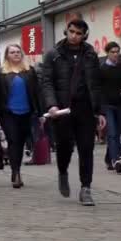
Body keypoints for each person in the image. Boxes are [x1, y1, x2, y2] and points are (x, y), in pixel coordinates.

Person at [42, 18, 106, 206]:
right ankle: (62, 171)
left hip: (85, 108)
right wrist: (51, 105)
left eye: (79, 33)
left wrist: (100, 111)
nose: (74, 36)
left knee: (87, 148)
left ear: (84, 35)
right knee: (64, 147)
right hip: (62, 109)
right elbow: (47, 82)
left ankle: (86, 188)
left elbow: (96, 84)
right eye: (71, 31)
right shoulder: (53, 54)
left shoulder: (90, 54)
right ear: (66, 31)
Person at [0, 44, 43, 188]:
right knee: (13, 141)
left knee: (20, 143)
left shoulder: (29, 71)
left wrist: (40, 113)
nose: (16, 54)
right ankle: (16, 173)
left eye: (18, 52)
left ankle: (17, 169)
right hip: (8, 113)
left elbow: (37, 93)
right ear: (7, 55)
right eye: (12, 52)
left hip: (26, 113)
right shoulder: (0, 72)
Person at [99, 42, 121, 174]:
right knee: (112, 133)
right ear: (107, 53)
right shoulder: (101, 70)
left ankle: (109, 158)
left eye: (117, 51)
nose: (116, 54)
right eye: (113, 52)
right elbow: (98, 90)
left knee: (117, 133)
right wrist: (99, 110)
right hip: (108, 106)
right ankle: (116, 159)